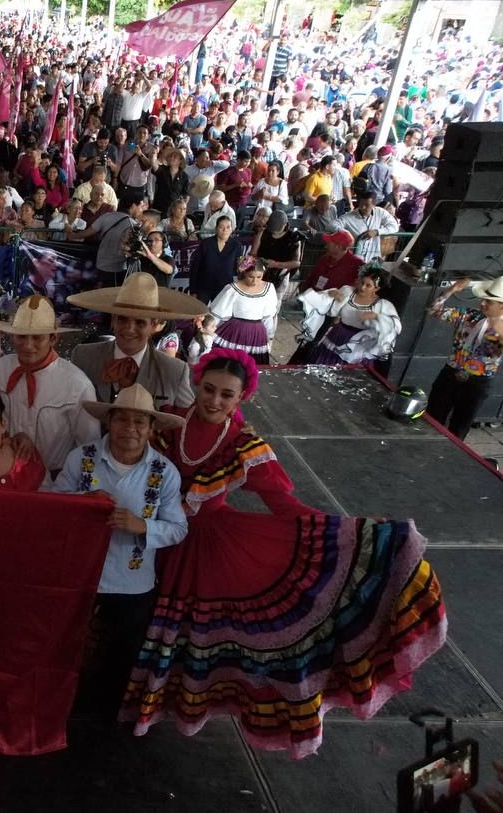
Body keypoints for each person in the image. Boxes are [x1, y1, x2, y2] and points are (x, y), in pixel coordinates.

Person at [122, 350, 445, 756]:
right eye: (208, 389)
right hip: (156, 536)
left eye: (227, 395)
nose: (214, 401)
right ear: (197, 383)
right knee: (137, 618)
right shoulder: (170, 422)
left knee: (189, 634)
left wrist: (352, 530)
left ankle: (167, 708)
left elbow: (285, 506)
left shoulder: (242, 445)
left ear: (242, 399)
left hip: (208, 550)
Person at [51, 385, 187, 721]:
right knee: (70, 648)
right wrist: (81, 504)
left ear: (151, 428)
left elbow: (178, 528)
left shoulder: (165, 472)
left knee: (122, 655)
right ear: (108, 422)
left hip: (133, 583)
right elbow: (53, 508)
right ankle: (65, 708)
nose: (130, 428)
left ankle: (106, 717)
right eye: (122, 419)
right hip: (83, 576)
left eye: (140, 422)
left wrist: (143, 526)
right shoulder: (80, 458)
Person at [0, 295, 100, 477]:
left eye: (37, 338)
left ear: (53, 338)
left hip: (55, 484)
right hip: (4, 477)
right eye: (22, 337)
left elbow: (90, 446)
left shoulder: (76, 384)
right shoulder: (1, 368)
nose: (28, 345)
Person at [68, 272, 205, 406]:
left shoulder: (174, 371)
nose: (129, 329)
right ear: (113, 320)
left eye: (140, 322)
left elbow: (187, 420)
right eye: (122, 319)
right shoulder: (83, 357)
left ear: (153, 325)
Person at [426, 277, 503, 439]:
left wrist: (498, 333)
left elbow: (491, 353)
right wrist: (451, 291)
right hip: (450, 373)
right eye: (483, 299)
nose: (482, 304)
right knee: (432, 418)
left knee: (460, 427)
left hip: (477, 383)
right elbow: (434, 311)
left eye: (489, 302)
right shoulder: (469, 315)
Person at [300, 264, 402, 367]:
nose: (362, 287)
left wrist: (376, 317)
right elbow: (329, 308)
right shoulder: (348, 292)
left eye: (368, 285)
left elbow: (395, 326)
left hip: (359, 344)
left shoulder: (382, 305)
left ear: (377, 288)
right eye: (362, 282)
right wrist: (331, 295)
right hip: (338, 335)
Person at [208, 256, 281, 364]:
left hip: (257, 334)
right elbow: (218, 313)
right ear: (244, 273)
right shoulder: (232, 289)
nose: (255, 280)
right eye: (251, 276)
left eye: (259, 277)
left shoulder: (269, 288)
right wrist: (208, 331)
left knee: (251, 364)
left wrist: (269, 336)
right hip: (235, 332)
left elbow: (268, 317)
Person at [187, 215, 241, 306]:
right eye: (221, 227)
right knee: (198, 315)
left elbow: (237, 269)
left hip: (224, 288)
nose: (225, 230)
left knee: (219, 318)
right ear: (216, 229)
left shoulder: (236, 246)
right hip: (203, 287)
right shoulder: (206, 244)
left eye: (228, 227)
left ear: (232, 229)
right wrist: (193, 290)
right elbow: (195, 267)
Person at [299, 229, 363, 294]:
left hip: (337, 302)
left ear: (338, 246)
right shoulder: (323, 259)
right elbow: (310, 279)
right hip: (314, 298)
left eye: (329, 243)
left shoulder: (356, 264)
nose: (325, 246)